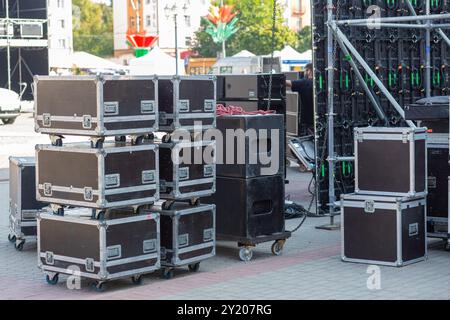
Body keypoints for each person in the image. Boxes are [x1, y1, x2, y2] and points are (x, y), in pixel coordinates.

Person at [286, 63, 314, 134]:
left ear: (309, 71)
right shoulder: (323, 83)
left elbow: (288, 83)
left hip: (308, 123)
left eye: (305, 71)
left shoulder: (304, 83)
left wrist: (276, 78)